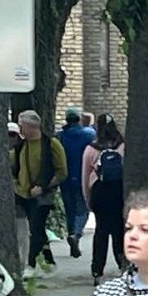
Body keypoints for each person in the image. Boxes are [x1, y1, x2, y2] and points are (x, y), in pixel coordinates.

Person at [12, 109, 68, 278]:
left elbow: (62, 172)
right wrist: (17, 185)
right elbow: (15, 168)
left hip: (43, 196)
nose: (20, 129)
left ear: (31, 126)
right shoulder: (21, 146)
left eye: (22, 126)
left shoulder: (51, 144)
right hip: (22, 194)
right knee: (38, 231)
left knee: (35, 229)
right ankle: (49, 262)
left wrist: (43, 186)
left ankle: (30, 265)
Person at [82, 114, 128, 285]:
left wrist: (87, 198)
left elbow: (85, 176)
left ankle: (97, 271)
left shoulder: (91, 148)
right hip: (118, 191)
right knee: (118, 230)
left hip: (99, 192)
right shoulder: (122, 145)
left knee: (101, 231)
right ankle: (123, 265)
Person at [58, 108, 96, 258]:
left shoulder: (60, 136)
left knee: (70, 210)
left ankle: (71, 235)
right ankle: (76, 233)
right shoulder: (88, 135)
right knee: (82, 209)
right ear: (78, 119)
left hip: (65, 179)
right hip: (83, 177)